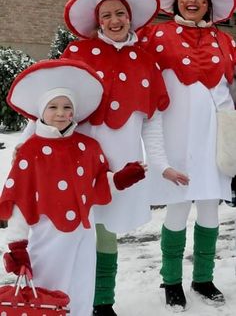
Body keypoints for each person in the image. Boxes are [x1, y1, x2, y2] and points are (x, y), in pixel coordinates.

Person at [61, 0, 190, 316]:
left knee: (106, 234)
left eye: (120, 13)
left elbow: (152, 123)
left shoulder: (146, 62)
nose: (114, 20)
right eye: (106, 15)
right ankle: (68, 297)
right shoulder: (78, 52)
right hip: (79, 161)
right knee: (73, 231)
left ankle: (103, 301)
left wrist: (161, 165)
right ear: (97, 20)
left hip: (123, 165)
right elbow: (55, 106)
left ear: (130, 17)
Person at [0, 59, 147, 316]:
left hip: (83, 233)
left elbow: (98, 185)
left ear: (74, 112)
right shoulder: (30, 151)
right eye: (53, 107)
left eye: (66, 107)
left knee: (81, 289)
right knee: (47, 291)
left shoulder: (87, 147)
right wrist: (17, 245)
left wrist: (122, 178)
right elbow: (20, 202)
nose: (60, 113)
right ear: (41, 112)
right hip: (48, 236)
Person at [138, 0, 236, 311]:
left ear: (210, 4)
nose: (192, 1)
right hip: (176, 138)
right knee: (177, 210)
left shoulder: (225, 41)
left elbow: (231, 88)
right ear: (176, 1)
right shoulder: (155, 35)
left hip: (214, 142)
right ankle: (171, 280)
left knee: (210, 210)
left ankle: (204, 277)